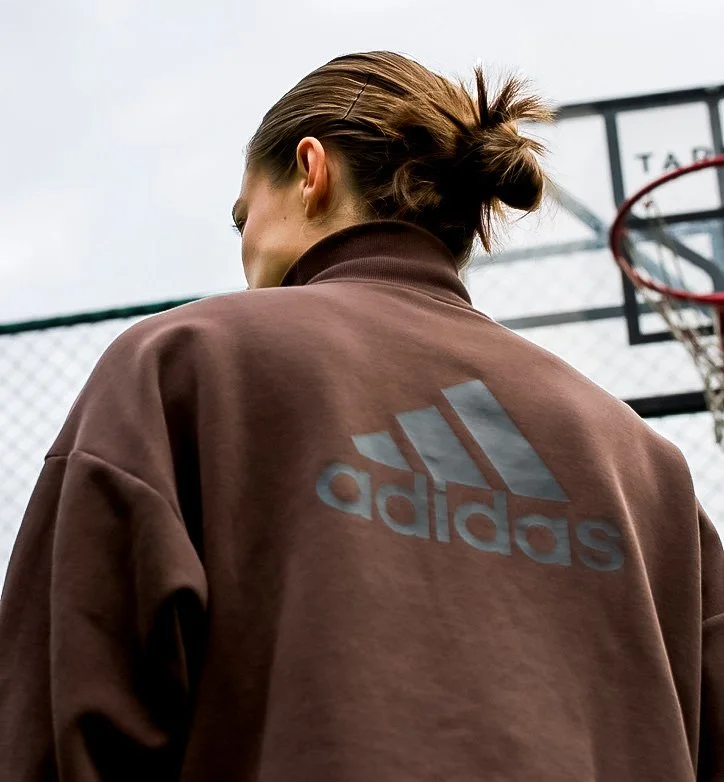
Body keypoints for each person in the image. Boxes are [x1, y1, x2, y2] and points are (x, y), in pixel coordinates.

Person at [0, 49, 722, 781]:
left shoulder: (186, 361)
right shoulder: (647, 468)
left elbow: (67, 716)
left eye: (242, 218)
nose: (244, 248)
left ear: (311, 171)